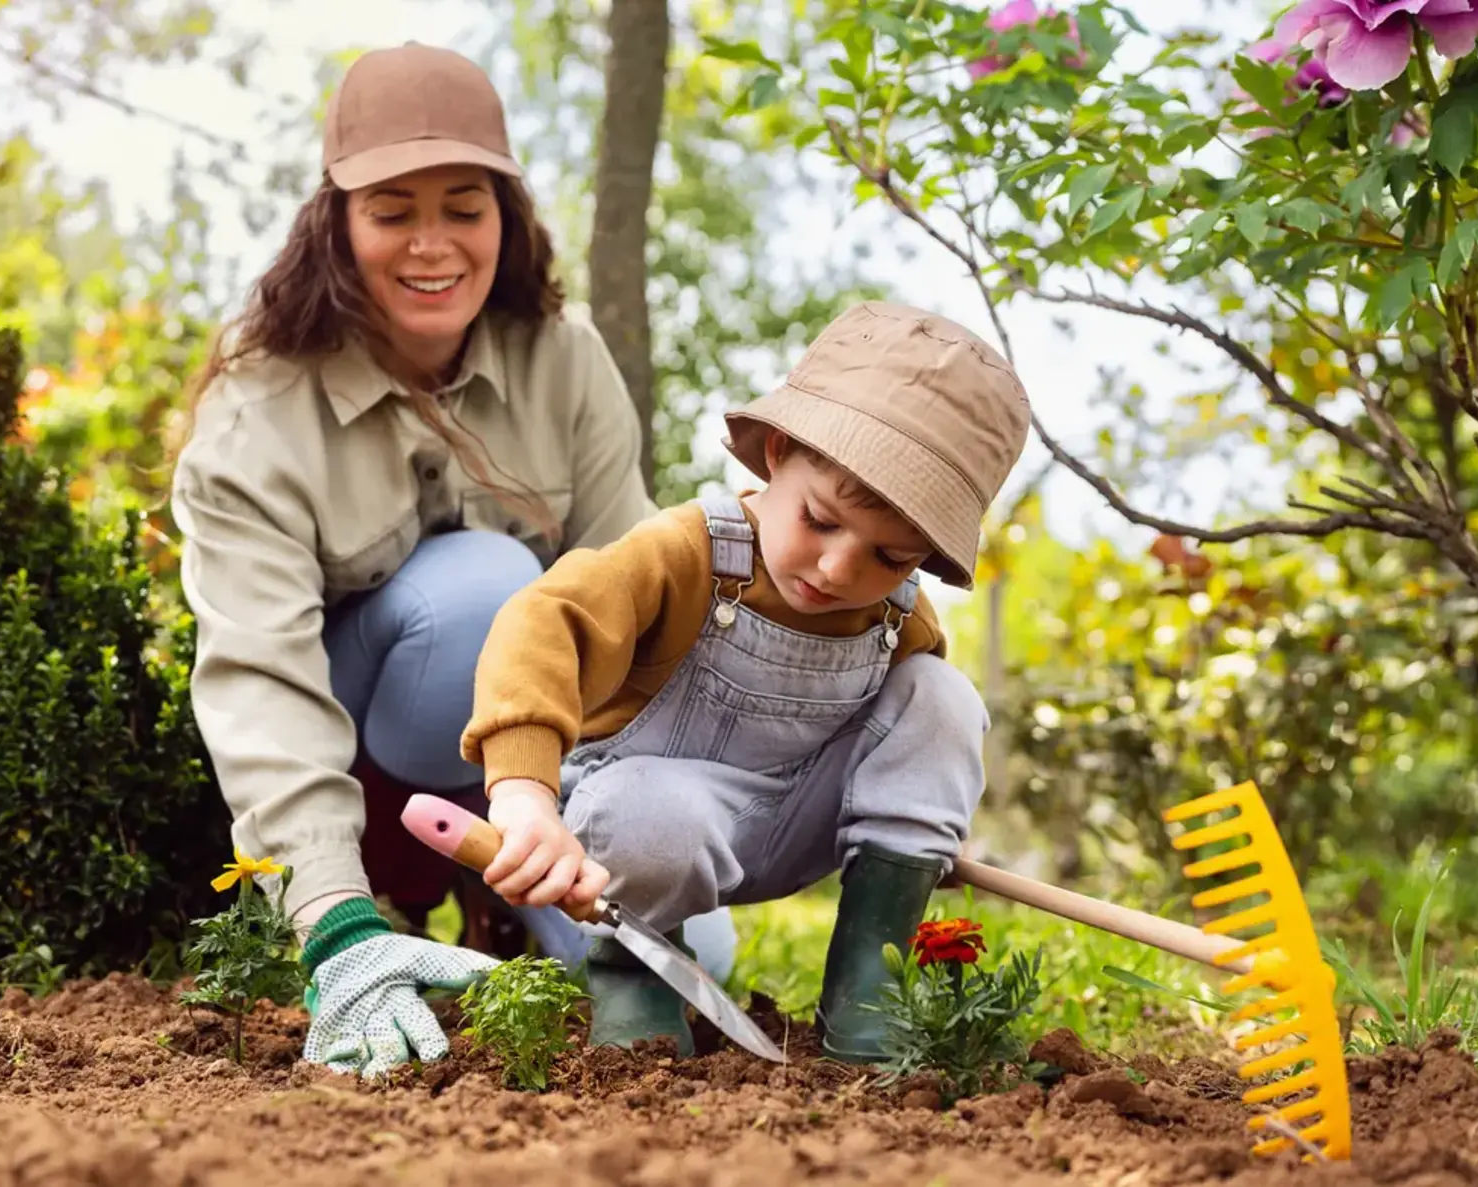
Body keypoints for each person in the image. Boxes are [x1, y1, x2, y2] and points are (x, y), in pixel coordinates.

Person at [169, 41, 734, 1082]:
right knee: (483, 595)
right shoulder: (259, 415)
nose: (432, 244)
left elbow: (631, 618)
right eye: (392, 211)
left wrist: (618, 834)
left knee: (689, 963)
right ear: (337, 224)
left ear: (505, 216)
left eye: (463, 207)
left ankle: (500, 897)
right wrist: (333, 920)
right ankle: (384, 901)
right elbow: (260, 684)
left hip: (523, 773)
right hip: (352, 768)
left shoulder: (564, 360)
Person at [459, 301, 1032, 1061]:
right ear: (779, 452)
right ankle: (634, 973)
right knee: (648, 811)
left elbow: (920, 742)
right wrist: (523, 793)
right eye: (820, 520)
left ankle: (867, 989)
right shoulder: (688, 552)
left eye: (891, 557)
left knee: (943, 692)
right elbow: (543, 623)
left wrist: (917, 843)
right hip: (653, 832)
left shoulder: (899, 615)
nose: (839, 569)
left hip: (803, 822)